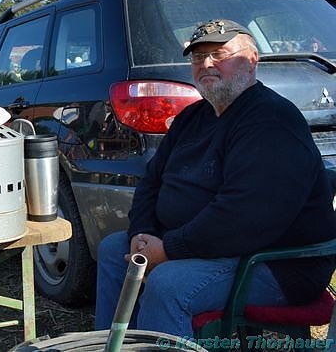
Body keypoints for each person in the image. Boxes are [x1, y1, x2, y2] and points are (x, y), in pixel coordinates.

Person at [94, 19, 336, 338]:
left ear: (251, 61)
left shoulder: (272, 121)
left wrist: (168, 250)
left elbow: (246, 216)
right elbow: (151, 182)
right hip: (207, 246)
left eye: (219, 54)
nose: (206, 63)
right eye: (197, 57)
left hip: (274, 262)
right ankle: (114, 345)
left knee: (168, 284)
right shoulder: (192, 117)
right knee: (115, 249)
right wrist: (143, 233)